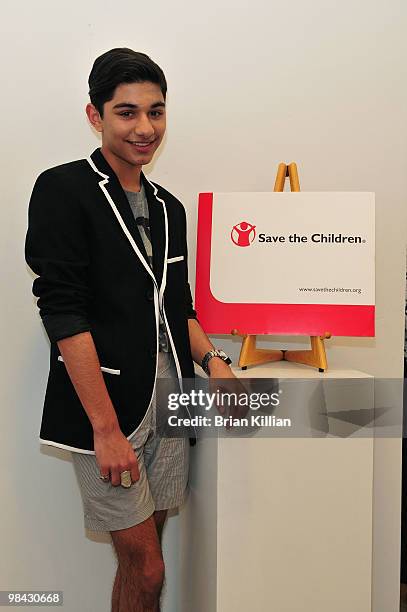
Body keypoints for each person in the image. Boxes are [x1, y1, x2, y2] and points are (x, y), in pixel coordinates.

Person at [25, 48, 237, 612]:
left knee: (144, 564)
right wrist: (105, 429)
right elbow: (63, 311)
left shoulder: (170, 209)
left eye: (156, 111)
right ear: (95, 116)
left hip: (169, 403)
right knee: (148, 569)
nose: (145, 128)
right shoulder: (64, 189)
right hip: (107, 409)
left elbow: (179, 305)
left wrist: (214, 360)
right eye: (126, 113)